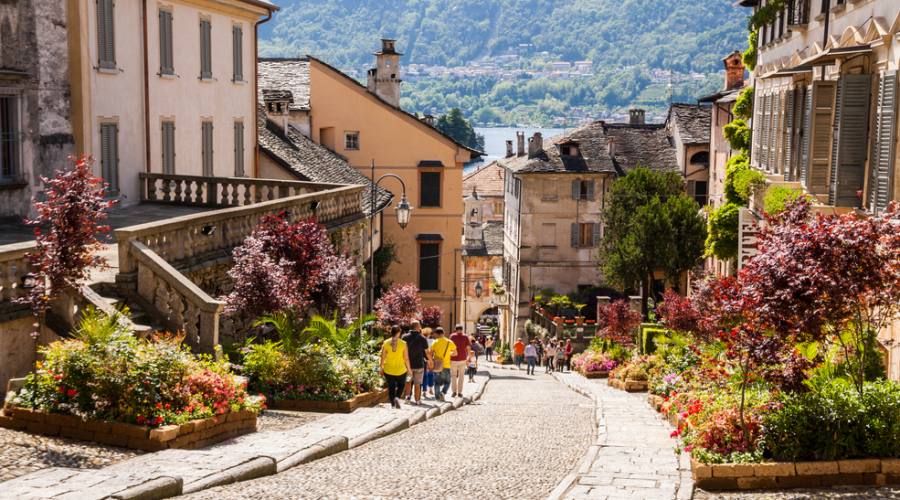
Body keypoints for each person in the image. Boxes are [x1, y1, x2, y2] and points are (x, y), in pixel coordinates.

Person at [380, 325, 411, 409]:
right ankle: (397, 397)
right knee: (401, 385)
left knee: (391, 387)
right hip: (401, 370)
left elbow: (383, 357)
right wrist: (409, 369)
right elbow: (406, 358)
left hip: (388, 369)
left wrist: (381, 368)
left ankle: (393, 405)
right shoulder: (403, 343)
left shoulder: (386, 343)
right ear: (399, 333)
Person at [401, 321, 429, 405]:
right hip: (419, 365)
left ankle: (407, 398)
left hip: (408, 365)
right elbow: (427, 352)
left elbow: (402, 351)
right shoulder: (422, 338)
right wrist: (430, 361)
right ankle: (417, 400)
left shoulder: (404, 337)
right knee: (418, 383)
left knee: (408, 382)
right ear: (417, 327)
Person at [431, 327, 456, 401]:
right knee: (447, 382)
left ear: (436, 334)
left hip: (437, 365)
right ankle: (443, 392)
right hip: (446, 365)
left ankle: (438, 397)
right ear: (443, 333)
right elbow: (455, 353)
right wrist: (449, 353)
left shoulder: (435, 342)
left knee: (437, 382)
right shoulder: (449, 342)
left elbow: (431, 353)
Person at [449, 324, 471, 398]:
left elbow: (449, 347)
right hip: (463, 359)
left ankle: (454, 392)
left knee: (453, 376)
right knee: (461, 376)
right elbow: (468, 348)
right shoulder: (465, 336)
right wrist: (469, 357)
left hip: (453, 359)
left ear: (455, 329)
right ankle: (460, 392)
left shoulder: (452, 336)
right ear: (462, 329)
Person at [421, 327, 436, 397]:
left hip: (423, 359)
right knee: (430, 374)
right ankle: (430, 388)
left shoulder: (422, 340)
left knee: (424, 375)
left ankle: (424, 391)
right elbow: (433, 351)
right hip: (431, 359)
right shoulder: (433, 341)